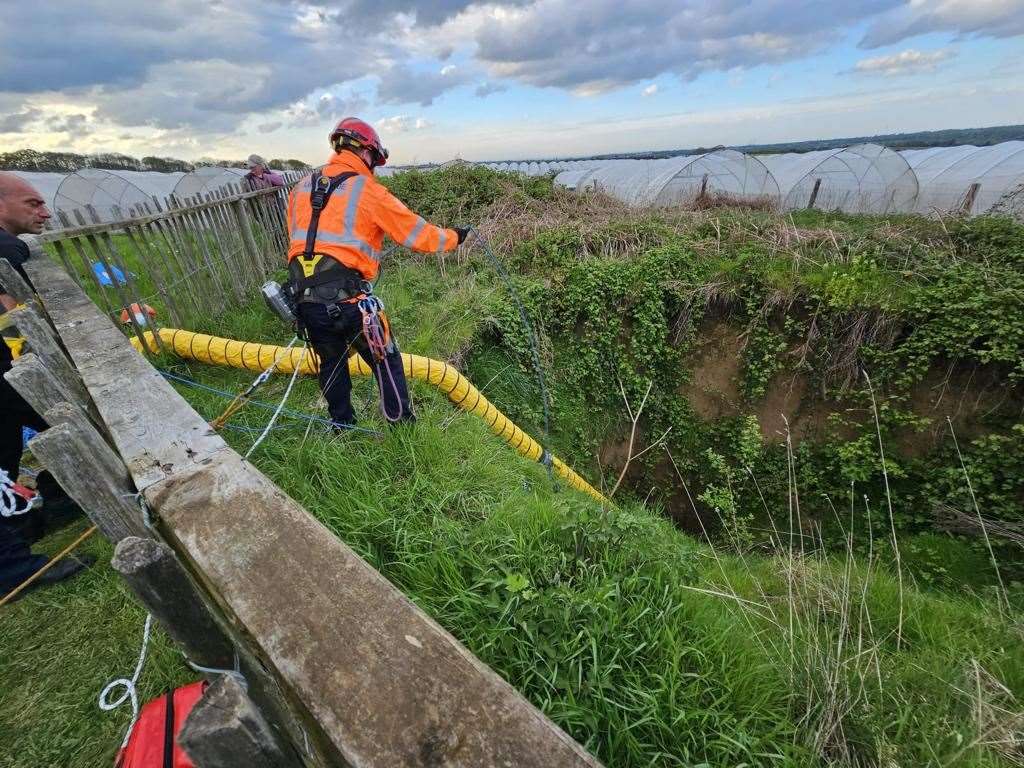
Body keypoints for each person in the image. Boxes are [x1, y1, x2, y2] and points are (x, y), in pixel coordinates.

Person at [285, 117, 469, 427]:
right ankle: (402, 427)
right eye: (374, 158)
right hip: (352, 302)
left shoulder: (300, 188)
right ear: (365, 151)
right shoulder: (366, 189)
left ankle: (342, 427)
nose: (374, 165)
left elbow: (299, 240)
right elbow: (417, 235)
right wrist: (455, 237)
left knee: (331, 363)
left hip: (307, 301)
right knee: (387, 361)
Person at [0, 172, 92, 600]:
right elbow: (10, 250)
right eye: (33, 203)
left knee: (50, 420)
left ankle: (58, 498)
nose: (45, 211)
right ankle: (11, 567)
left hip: (5, 369)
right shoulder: (5, 245)